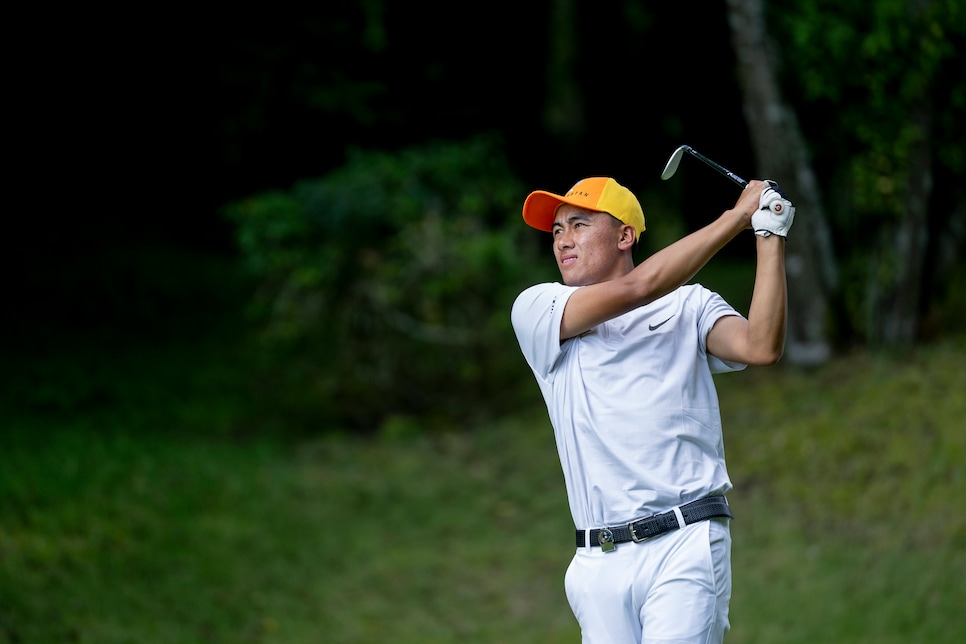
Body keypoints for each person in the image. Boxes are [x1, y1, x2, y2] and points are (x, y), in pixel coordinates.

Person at [510, 175, 794, 643]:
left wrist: (768, 232)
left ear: (625, 236)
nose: (563, 241)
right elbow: (640, 287)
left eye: (579, 225)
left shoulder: (689, 305)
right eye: (557, 231)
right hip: (597, 562)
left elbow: (761, 346)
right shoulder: (538, 308)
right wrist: (736, 216)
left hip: (685, 541)